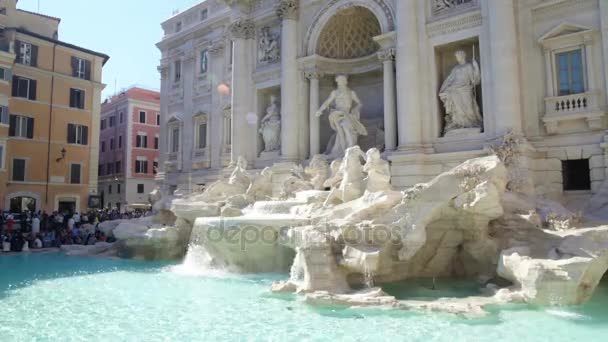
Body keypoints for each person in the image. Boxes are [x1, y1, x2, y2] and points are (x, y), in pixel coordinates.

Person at [316, 75, 368, 157]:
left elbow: (360, 103)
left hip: (347, 114)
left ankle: (349, 149)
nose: (341, 82)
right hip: (337, 114)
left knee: (346, 128)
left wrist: (355, 110)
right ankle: (347, 150)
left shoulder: (351, 93)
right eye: (339, 80)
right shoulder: (335, 92)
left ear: (346, 81)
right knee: (344, 126)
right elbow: (327, 102)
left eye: (343, 80)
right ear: (337, 82)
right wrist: (320, 110)